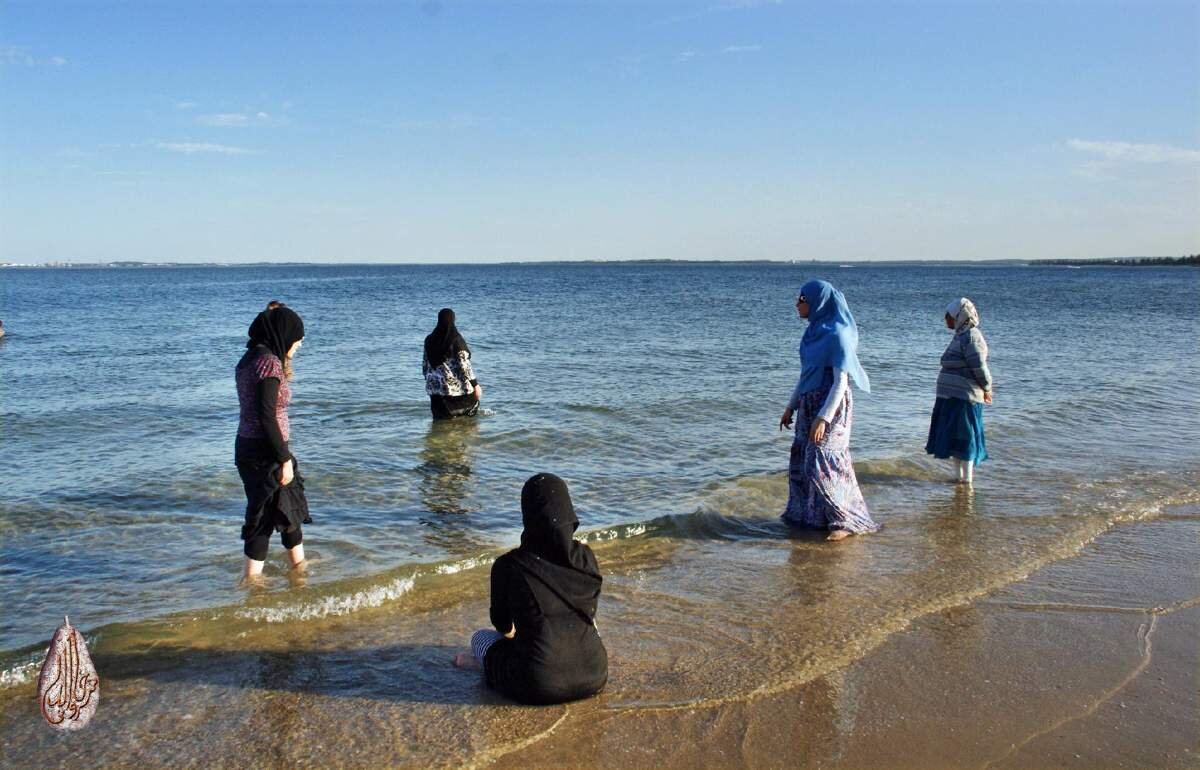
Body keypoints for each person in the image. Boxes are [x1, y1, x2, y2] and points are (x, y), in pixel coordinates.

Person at [453, 473, 608, 705]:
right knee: (582, 621)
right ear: (568, 512)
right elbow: (589, 611)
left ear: (528, 515)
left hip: (536, 684)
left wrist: (524, 637)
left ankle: (484, 665)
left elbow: (502, 625)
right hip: (595, 675)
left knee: (480, 638)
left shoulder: (509, 565)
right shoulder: (586, 558)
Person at [779, 279, 878, 540]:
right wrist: (791, 407)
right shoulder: (812, 333)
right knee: (802, 459)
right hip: (808, 403)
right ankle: (811, 516)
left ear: (817, 302)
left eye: (801, 299)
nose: (797, 304)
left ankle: (845, 519)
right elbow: (805, 375)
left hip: (831, 406)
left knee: (822, 459)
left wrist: (824, 417)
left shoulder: (837, 334)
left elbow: (840, 382)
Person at [234, 303, 311, 580]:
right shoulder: (268, 363)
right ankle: (252, 584)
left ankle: (299, 572)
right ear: (284, 335)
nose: (299, 345)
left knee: (285, 509)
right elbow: (266, 415)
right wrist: (284, 459)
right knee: (265, 516)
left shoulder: (249, 359)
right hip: (265, 451)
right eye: (298, 339)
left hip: (249, 446)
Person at [925, 297, 993, 485]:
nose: (946, 320)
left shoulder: (972, 336)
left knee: (966, 439)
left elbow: (978, 365)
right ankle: (959, 479)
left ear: (960, 316)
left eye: (949, 316)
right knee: (955, 439)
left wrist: (987, 387)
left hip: (965, 398)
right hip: (951, 397)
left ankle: (967, 480)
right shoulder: (960, 336)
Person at [422, 308, 482, 419]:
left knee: (440, 424)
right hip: (455, 391)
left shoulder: (429, 340)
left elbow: (425, 366)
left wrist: (432, 380)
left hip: (435, 392)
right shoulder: (455, 339)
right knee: (470, 419)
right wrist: (476, 385)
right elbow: (465, 366)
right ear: (453, 320)